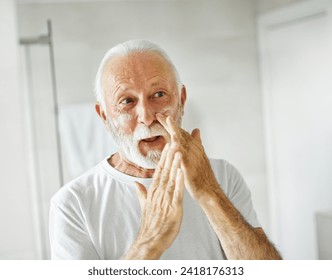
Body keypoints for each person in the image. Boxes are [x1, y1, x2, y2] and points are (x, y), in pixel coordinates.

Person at [49, 39, 281, 260]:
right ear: (104, 115)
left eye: (158, 95)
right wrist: (149, 243)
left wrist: (209, 192)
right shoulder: (72, 204)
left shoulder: (224, 176)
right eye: (127, 101)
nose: (147, 117)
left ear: (181, 99)